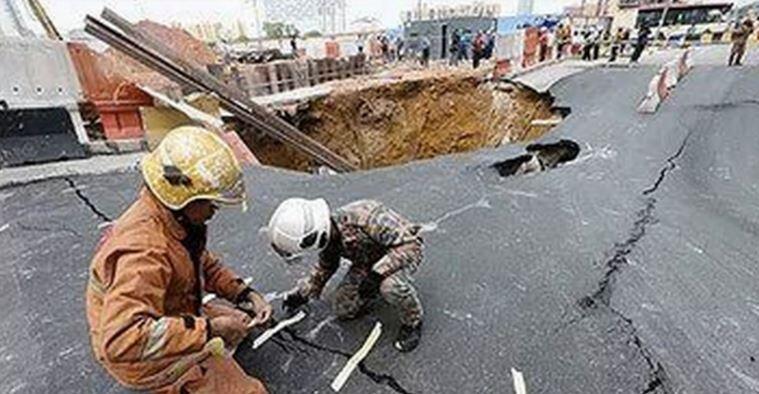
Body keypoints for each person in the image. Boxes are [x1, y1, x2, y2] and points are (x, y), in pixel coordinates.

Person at [86, 126, 271, 393]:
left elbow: (200, 262)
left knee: (239, 322)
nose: (214, 211)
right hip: (140, 357)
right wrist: (210, 330)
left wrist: (244, 293)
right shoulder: (144, 251)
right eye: (210, 203)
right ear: (183, 196)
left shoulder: (170, 219)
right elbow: (120, 340)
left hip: (164, 311)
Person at [268, 199, 425, 352]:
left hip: (400, 253)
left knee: (390, 287)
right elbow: (325, 267)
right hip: (367, 261)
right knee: (343, 308)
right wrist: (303, 293)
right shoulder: (329, 236)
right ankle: (375, 289)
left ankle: (413, 321)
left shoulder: (367, 216)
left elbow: (411, 245)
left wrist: (376, 275)